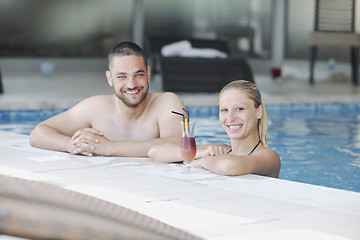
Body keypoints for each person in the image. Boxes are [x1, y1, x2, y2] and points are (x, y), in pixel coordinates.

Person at [30, 42, 186, 157]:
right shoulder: (95, 108)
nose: (131, 85)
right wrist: (70, 145)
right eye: (122, 77)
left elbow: (179, 144)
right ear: (110, 78)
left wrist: (110, 147)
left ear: (148, 73)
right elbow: (38, 132)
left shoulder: (167, 103)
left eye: (139, 75)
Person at [148, 80, 281, 178]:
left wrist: (200, 161)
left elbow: (229, 166)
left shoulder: (269, 157)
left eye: (239, 109)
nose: (230, 118)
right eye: (224, 110)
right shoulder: (222, 150)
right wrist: (200, 153)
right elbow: (155, 151)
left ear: (258, 112)